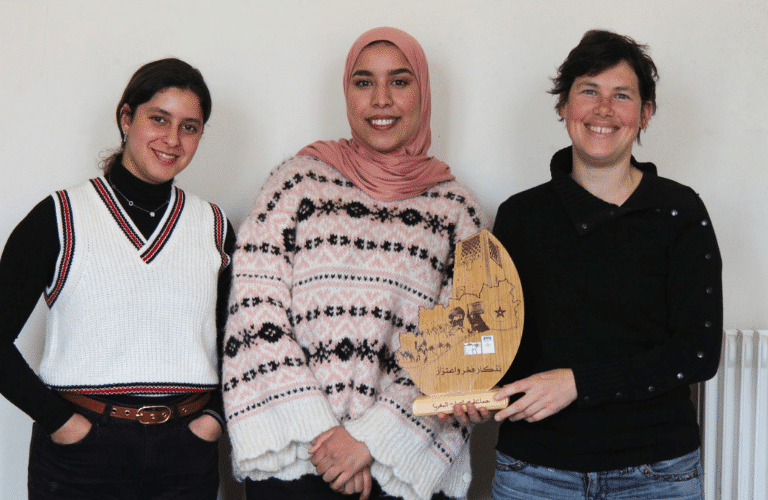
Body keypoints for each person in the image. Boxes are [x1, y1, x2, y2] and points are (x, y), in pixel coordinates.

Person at [222, 27, 484, 500]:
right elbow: (255, 313)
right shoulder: (295, 184)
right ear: (347, 92)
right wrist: (327, 437)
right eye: (364, 83)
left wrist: (369, 440)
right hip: (297, 457)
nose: (381, 99)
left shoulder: (456, 210)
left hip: (403, 464)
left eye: (400, 82)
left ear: (423, 93)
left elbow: (458, 344)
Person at [487, 30, 722, 499]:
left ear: (645, 113)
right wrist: (470, 389)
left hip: (657, 472)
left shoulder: (680, 211)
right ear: (563, 107)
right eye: (588, 91)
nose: (603, 109)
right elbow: (496, 342)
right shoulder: (518, 216)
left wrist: (578, 383)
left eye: (622, 95)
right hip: (535, 471)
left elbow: (698, 351)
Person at [0, 57, 235, 499]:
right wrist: (60, 423)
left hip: (185, 454)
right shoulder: (60, 217)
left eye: (190, 126)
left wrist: (213, 420)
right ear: (126, 118)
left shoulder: (214, 226)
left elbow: (240, 342)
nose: (172, 139)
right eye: (158, 119)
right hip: (81, 455)